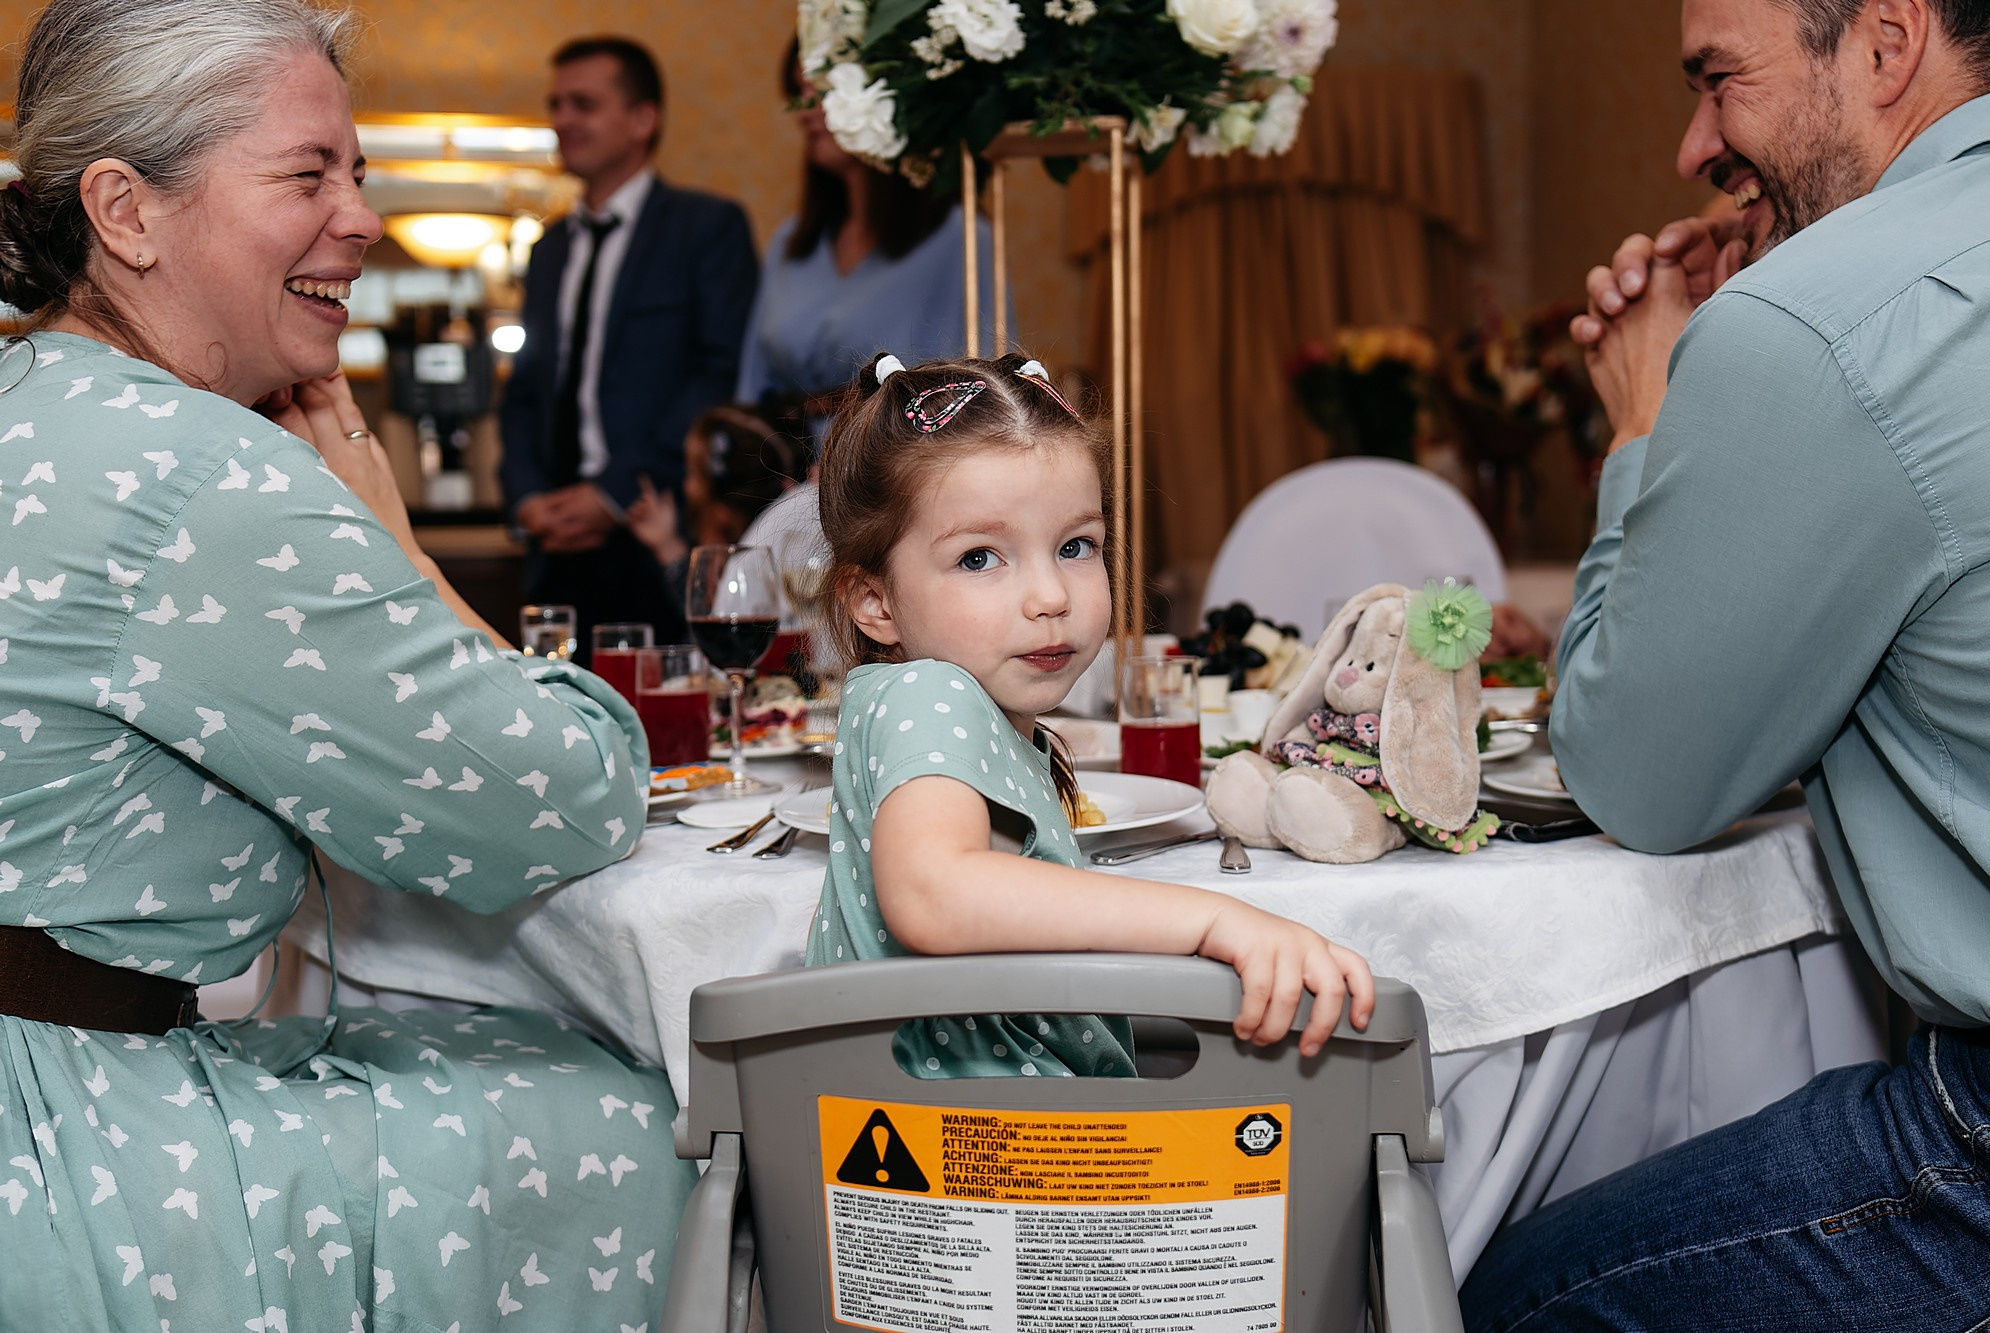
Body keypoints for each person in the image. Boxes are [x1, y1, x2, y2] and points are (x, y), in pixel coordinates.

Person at [0, 2, 691, 1327]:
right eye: (309, 174)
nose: (365, 217)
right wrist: (403, 547)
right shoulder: (202, 475)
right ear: (126, 212)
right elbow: (563, 800)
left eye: (360, 174)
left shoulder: (33, 392)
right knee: (639, 1107)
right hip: (66, 1139)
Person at [1460, 0, 1990, 1326]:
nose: (1695, 144)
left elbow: (1640, 777)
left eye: (1719, 80)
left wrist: (1649, 418)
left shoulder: (1811, 323)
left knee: (1515, 1289)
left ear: (1886, 42)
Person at [804, 350, 1375, 1078]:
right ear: (874, 602)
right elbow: (932, 891)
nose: (1051, 595)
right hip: (968, 1148)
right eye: (980, 558)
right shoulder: (929, 695)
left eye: (1076, 546)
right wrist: (1209, 919)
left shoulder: (973, 707)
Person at [499, 35, 758, 659]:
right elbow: (526, 388)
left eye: (583, 104)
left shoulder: (706, 228)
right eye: (556, 103)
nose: (562, 120)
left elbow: (718, 374)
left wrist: (612, 494)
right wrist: (528, 497)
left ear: (644, 119)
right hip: (556, 546)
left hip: (656, 530)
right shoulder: (549, 247)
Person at [734, 43, 1007, 446]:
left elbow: (977, 401)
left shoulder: (960, 239)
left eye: (823, 90)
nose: (804, 109)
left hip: (896, 484)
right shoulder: (791, 244)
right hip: (783, 482)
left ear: (883, 95)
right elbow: (753, 391)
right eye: (799, 93)